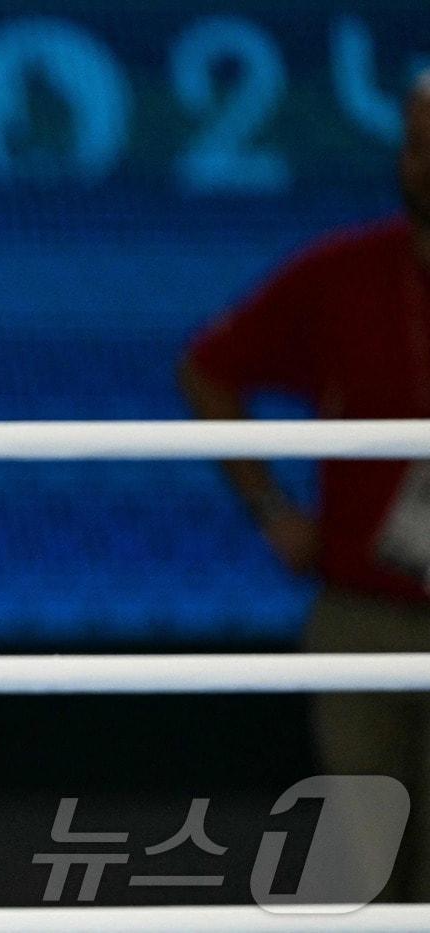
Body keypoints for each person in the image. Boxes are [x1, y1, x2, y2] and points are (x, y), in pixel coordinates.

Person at [179, 73, 430, 902]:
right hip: (368, 609)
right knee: (368, 853)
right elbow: (208, 368)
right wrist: (273, 509)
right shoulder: (344, 274)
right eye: (420, 142)